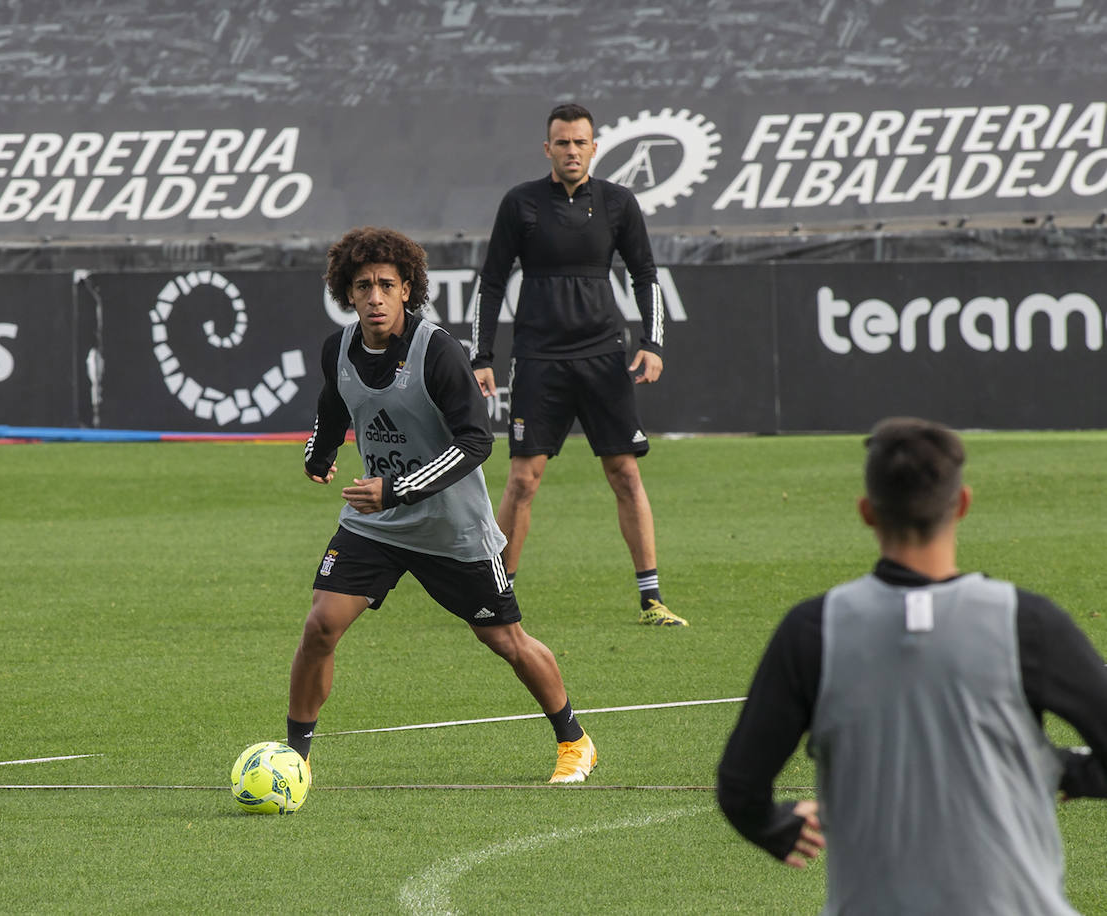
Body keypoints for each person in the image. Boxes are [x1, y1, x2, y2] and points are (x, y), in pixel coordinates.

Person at [717, 417, 1107, 914]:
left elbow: (740, 788)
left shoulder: (814, 630)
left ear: (866, 513)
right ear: (963, 503)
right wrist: (1060, 771)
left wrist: (772, 825)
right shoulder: (1026, 623)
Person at [292, 226, 596, 783]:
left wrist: (397, 489)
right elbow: (333, 413)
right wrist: (319, 455)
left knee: (504, 638)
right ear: (347, 293)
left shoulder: (439, 351)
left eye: (387, 284)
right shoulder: (337, 348)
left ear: (408, 289)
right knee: (321, 626)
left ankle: (574, 738)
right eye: (363, 286)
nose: (375, 296)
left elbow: (476, 442)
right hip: (376, 525)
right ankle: (295, 758)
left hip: (452, 528)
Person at [472, 102, 685, 627]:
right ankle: (499, 597)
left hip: (603, 357)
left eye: (580, 142)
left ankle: (651, 598)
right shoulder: (520, 203)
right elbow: (492, 281)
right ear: (548, 148)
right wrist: (482, 356)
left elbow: (645, 275)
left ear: (595, 146)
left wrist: (652, 343)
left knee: (625, 474)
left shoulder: (618, 203)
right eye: (562, 143)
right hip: (539, 359)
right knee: (523, 479)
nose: (571, 150)